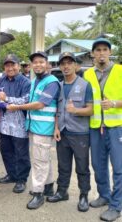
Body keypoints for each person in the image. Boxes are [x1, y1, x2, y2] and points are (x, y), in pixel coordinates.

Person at [7, 51, 60, 210]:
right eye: (34, 62)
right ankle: (49, 187)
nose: (37, 65)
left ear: (48, 64)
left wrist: (16, 107)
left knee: (39, 162)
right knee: (44, 159)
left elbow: (40, 104)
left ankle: (38, 193)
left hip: (44, 128)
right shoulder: (36, 81)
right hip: (36, 126)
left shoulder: (52, 82)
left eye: (41, 62)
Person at [46, 52, 92, 212]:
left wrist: (76, 110)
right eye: (63, 63)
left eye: (69, 63)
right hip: (63, 132)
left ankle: (84, 195)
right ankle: (62, 191)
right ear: (60, 66)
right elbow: (57, 110)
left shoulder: (85, 85)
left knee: (82, 166)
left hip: (80, 134)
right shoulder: (58, 85)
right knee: (63, 165)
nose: (66, 66)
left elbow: (91, 109)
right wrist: (56, 128)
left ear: (75, 65)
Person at [83, 38, 122, 222]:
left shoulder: (120, 71)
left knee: (119, 167)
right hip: (95, 127)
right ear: (92, 54)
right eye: (97, 50)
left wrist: (114, 103)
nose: (101, 53)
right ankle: (104, 195)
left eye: (104, 49)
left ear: (110, 52)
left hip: (117, 128)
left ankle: (116, 205)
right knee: (98, 164)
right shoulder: (88, 74)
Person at [0, 54, 31, 194]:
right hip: (4, 124)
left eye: (13, 65)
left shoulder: (25, 82)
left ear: (18, 66)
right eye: (7, 65)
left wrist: (6, 99)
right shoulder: (1, 80)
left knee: (21, 153)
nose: (10, 68)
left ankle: (22, 180)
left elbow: (26, 100)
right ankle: (12, 175)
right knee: (6, 151)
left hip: (19, 124)